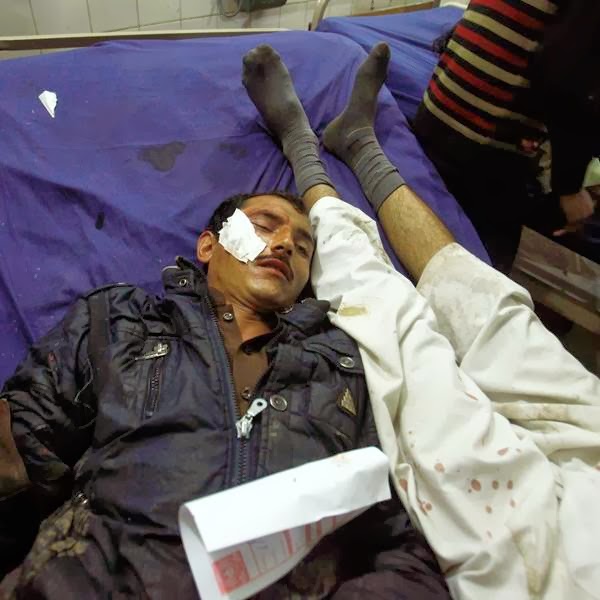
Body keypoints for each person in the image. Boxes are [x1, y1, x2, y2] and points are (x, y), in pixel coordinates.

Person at [0, 109, 451, 600]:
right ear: (208, 246)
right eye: (263, 226)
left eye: (303, 248)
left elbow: (398, 542)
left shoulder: (341, 365)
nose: (283, 244)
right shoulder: (120, 321)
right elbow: (18, 453)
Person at [240, 42, 600, 599]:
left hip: (536, 556)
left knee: (391, 319)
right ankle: (360, 145)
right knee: (496, 313)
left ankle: (304, 147)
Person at [413, 0, 600, 270]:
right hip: (483, 147)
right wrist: (569, 190)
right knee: (481, 275)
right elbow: (569, 88)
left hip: (434, 114)